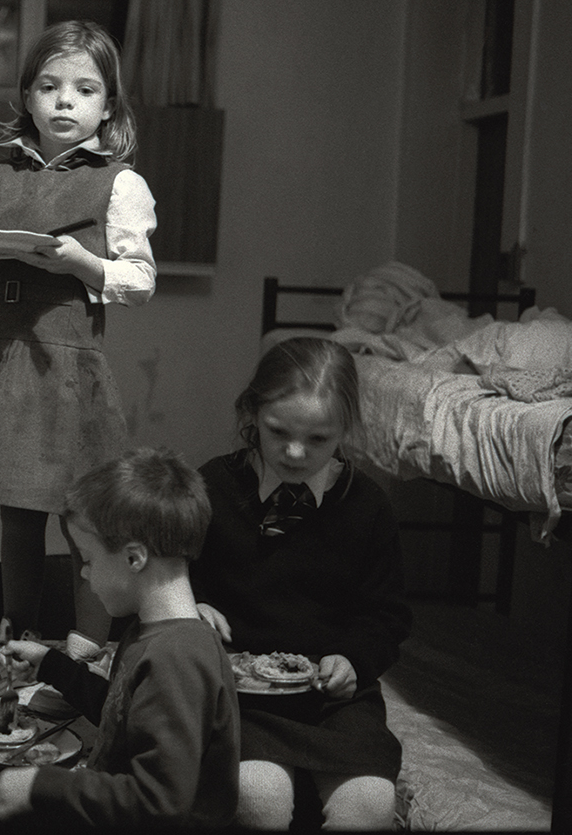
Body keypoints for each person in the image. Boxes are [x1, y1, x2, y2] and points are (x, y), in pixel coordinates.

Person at [0, 19, 158, 699]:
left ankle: (81, 658)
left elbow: (139, 281)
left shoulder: (120, 184)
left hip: (69, 373)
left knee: (87, 520)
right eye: (50, 86)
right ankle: (12, 650)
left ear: (108, 105)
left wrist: (83, 261)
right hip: (5, 365)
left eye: (85, 89)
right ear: (27, 95)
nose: (65, 101)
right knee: (16, 519)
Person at [190, 337, 412, 829]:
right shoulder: (213, 486)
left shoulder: (366, 504)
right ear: (252, 412)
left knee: (370, 808)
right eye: (278, 432)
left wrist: (355, 659)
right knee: (258, 801)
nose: (294, 452)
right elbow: (177, 574)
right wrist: (195, 606)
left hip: (334, 700)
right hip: (241, 696)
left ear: (344, 432)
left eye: (318, 439)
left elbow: (388, 614)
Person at [0, 447, 240, 827]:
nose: (84, 574)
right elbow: (122, 716)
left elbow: (159, 802)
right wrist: (50, 664)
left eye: (87, 559)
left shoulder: (177, 658)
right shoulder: (153, 634)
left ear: (134, 558)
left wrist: (43, 784)